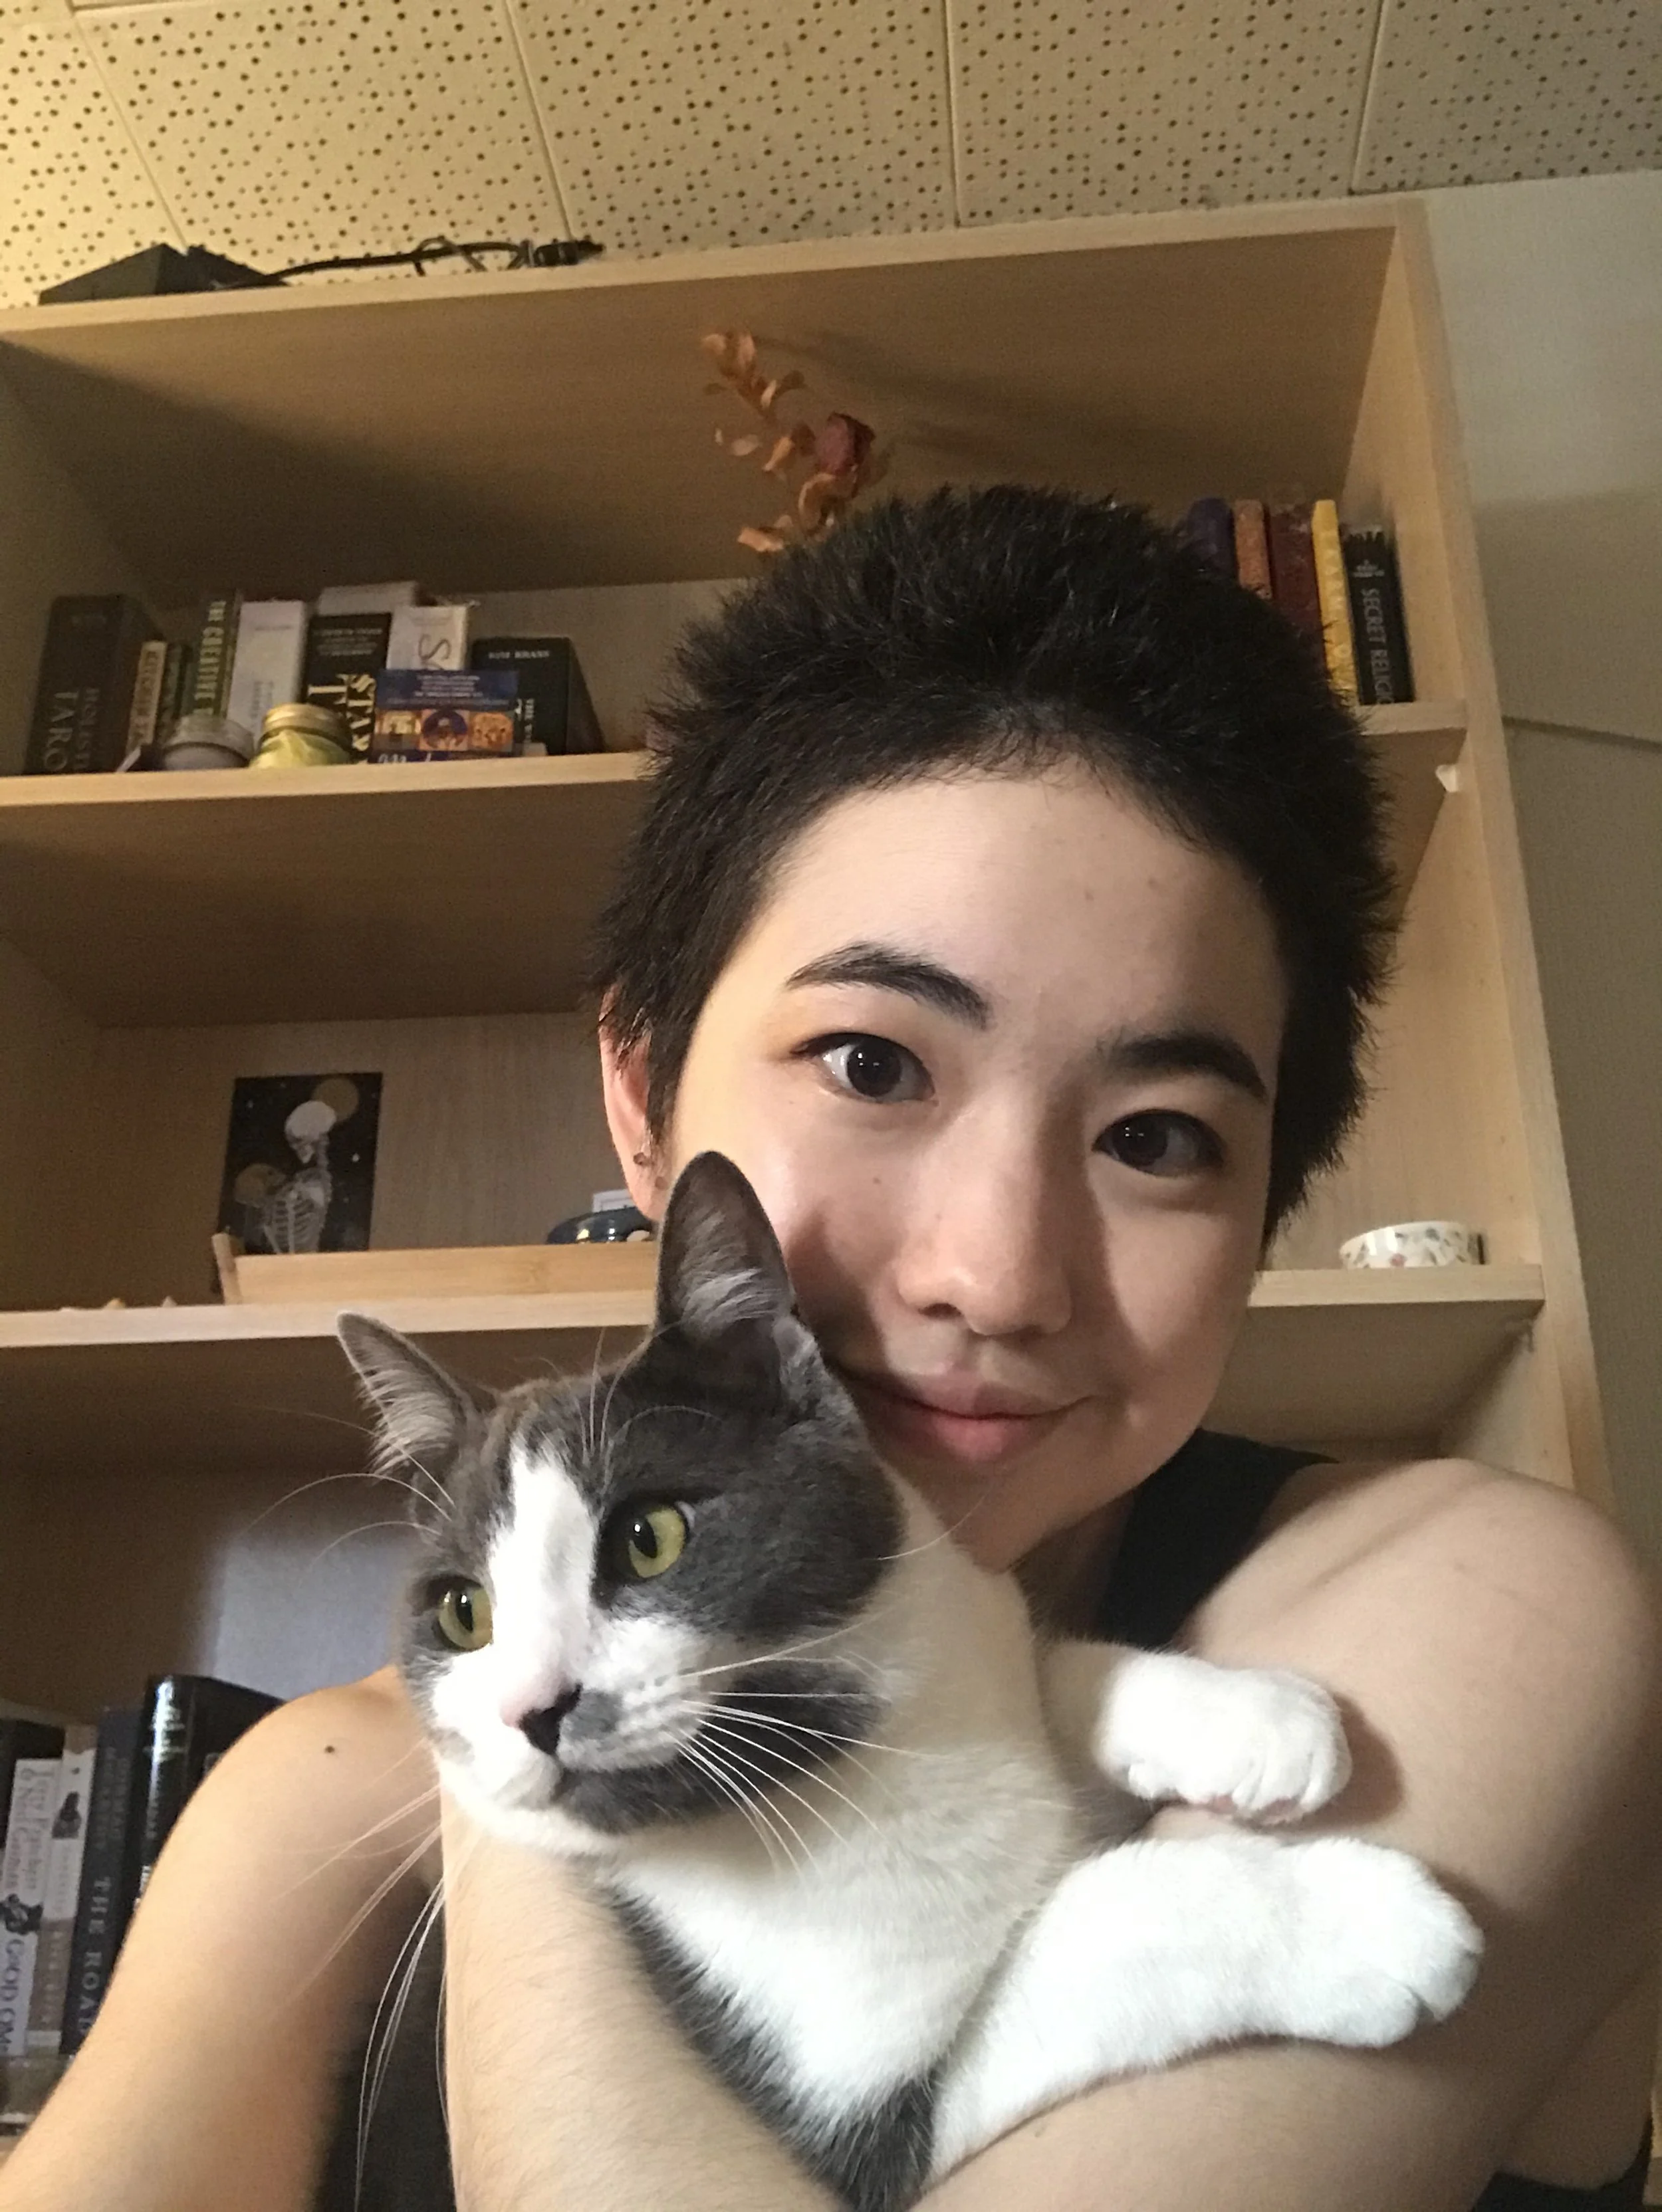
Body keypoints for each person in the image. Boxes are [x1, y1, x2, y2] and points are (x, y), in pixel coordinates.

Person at [5, 487, 1657, 2212]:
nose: (996, 1274)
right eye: (874, 1064)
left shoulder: (1473, 1618)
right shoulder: (314, 1800)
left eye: (1157, 1136)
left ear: (1266, 1209)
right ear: (640, 1101)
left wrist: (525, 1801)